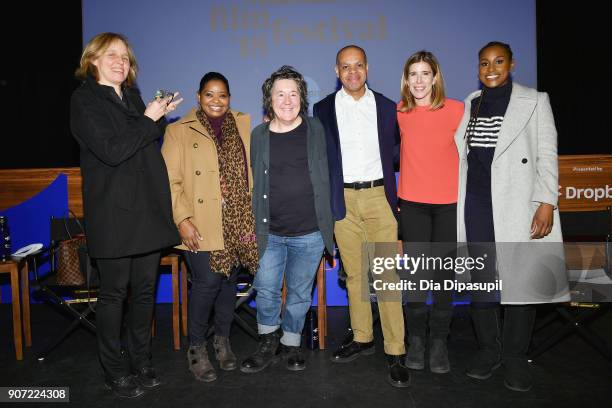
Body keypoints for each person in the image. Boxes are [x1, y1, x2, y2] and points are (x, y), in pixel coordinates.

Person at [70, 32, 183, 398]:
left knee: (146, 292)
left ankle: (142, 360)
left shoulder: (133, 97)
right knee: (114, 294)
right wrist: (149, 120)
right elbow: (113, 150)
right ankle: (114, 369)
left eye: (125, 57)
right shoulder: (84, 100)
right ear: (93, 60)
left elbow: (144, 144)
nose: (121, 62)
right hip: (115, 215)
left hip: (147, 210)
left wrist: (158, 117)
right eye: (112, 55)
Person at [455, 41, 569, 392]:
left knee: (521, 280)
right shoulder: (471, 104)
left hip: (518, 203)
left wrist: (547, 201)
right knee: (483, 279)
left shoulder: (535, 100)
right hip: (475, 202)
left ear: (512, 64)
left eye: (499, 61)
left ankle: (516, 357)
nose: (491, 68)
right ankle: (489, 350)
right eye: (484, 63)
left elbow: (548, 154)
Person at [313, 45, 410, 388]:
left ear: (367, 68)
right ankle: (363, 337)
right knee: (355, 275)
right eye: (345, 67)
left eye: (358, 66)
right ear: (336, 70)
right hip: (343, 202)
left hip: (380, 198)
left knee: (385, 276)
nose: (352, 72)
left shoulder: (387, 108)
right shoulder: (322, 109)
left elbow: (403, 151)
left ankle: (396, 350)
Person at [161, 72, 258, 382]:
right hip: (199, 223)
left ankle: (222, 341)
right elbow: (170, 181)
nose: (217, 101)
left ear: (230, 98)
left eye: (223, 95)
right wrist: (182, 220)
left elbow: (249, 173)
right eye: (209, 94)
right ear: (198, 96)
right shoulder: (178, 130)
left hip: (237, 221)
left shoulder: (242, 124)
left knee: (229, 282)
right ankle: (197, 348)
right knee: (206, 285)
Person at [241, 65, 334, 373]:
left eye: (293, 93)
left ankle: (291, 342)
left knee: (298, 292)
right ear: (269, 99)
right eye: (280, 94)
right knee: (266, 287)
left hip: (309, 232)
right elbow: (256, 183)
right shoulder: (259, 135)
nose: (287, 100)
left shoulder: (316, 129)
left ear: (302, 98)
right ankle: (268, 340)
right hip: (270, 232)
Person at [396, 50, 464, 374]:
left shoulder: (456, 110)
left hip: (449, 206)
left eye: (426, 73)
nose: (419, 80)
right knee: (417, 276)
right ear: (406, 80)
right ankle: (417, 341)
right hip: (412, 205)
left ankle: (438, 342)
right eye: (414, 74)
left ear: (435, 77)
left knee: (443, 277)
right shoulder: (400, 112)